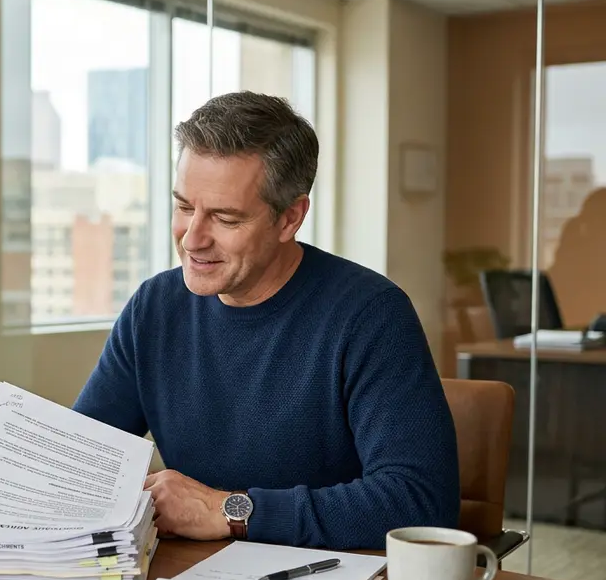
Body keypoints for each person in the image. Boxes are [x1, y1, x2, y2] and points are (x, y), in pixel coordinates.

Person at [73, 91, 460, 550]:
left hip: (328, 577)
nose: (192, 239)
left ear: (289, 218)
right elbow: (80, 459)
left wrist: (230, 511)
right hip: (191, 572)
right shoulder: (154, 308)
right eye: (184, 207)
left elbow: (421, 499)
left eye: (225, 218)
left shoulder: (371, 315)